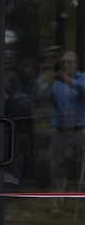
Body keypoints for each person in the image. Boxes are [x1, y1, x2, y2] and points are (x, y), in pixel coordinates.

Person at [46, 51, 85, 215]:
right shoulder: (55, 81)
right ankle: (57, 205)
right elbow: (41, 97)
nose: (66, 65)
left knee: (82, 168)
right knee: (58, 168)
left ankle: (82, 205)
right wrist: (48, 83)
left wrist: (69, 81)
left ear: (76, 64)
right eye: (63, 62)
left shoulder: (82, 78)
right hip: (60, 130)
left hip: (80, 129)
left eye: (69, 62)